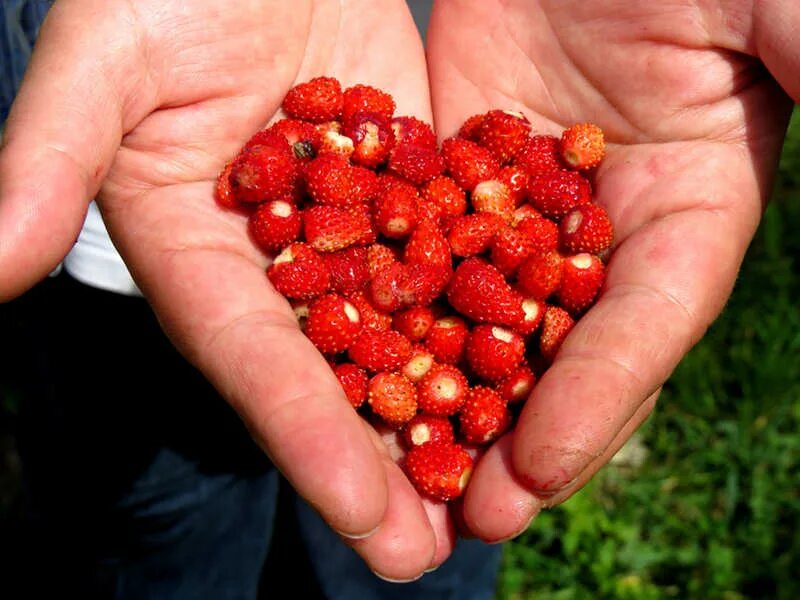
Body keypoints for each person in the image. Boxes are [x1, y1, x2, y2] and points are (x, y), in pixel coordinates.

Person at [1, 0, 798, 597]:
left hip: (485, 36)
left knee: (420, 534)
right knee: (156, 519)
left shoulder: (457, 247)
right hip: (140, 208)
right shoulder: (356, 213)